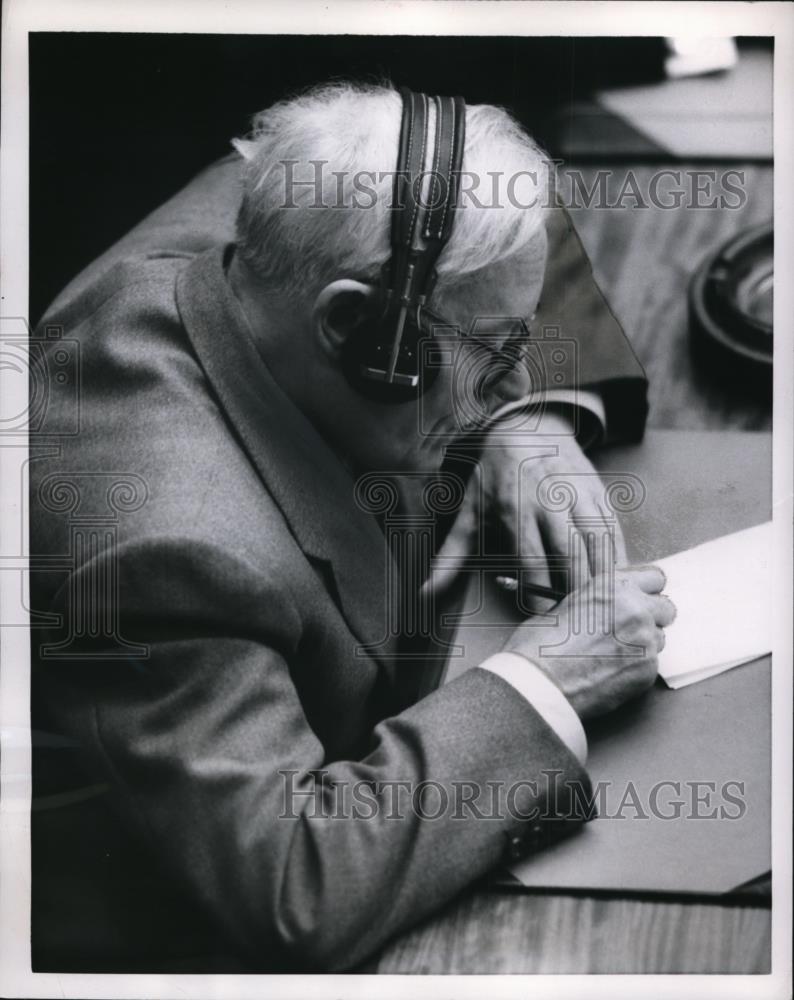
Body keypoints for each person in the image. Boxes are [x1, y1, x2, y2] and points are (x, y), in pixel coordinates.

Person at [30, 81, 674, 973]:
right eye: (491, 355)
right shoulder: (165, 552)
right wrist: (547, 683)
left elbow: (505, 223)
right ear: (349, 326)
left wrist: (528, 423)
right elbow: (296, 890)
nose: (509, 380)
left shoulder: (282, 207)